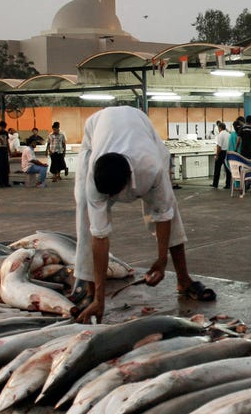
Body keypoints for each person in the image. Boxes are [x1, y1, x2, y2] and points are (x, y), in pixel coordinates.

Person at [71, 105, 214, 324]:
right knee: (84, 213)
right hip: (97, 131)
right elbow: (99, 236)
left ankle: (183, 280)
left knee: (170, 207)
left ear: (128, 181)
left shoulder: (151, 168)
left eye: (113, 194)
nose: (110, 198)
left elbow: (163, 214)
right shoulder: (94, 179)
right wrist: (101, 298)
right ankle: (90, 289)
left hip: (142, 131)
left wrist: (161, 260)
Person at [211, 121, 231, 189]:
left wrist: (217, 155)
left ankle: (215, 184)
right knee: (227, 169)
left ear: (220, 128)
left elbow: (219, 146)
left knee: (217, 169)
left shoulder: (220, 135)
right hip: (227, 153)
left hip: (221, 153)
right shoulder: (228, 134)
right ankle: (228, 184)